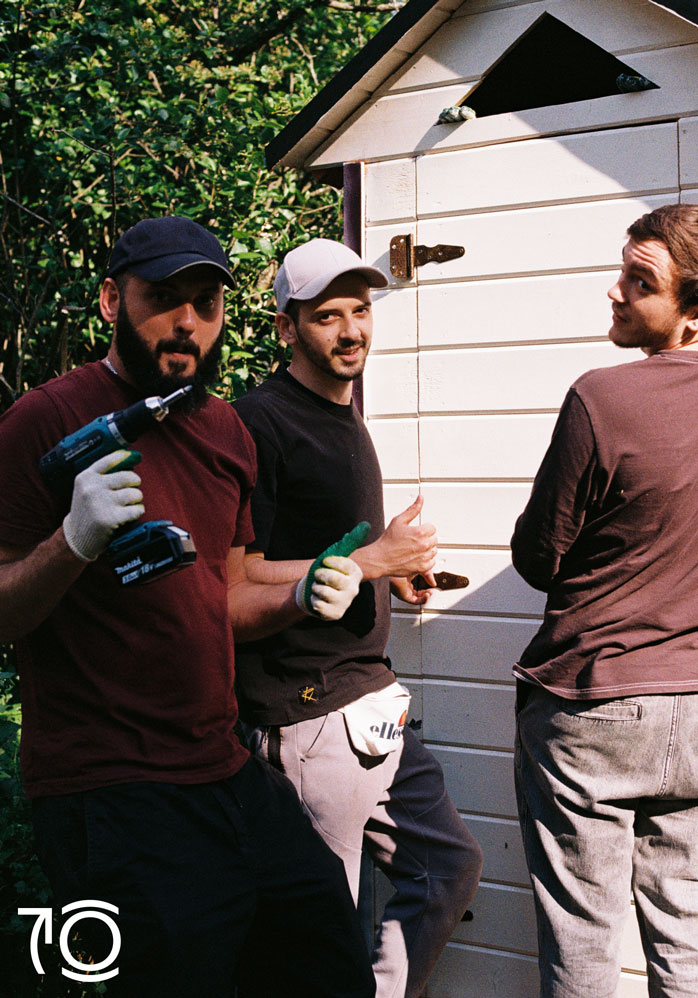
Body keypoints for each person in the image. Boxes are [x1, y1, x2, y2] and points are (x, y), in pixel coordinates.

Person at [0, 217, 376, 998]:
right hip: (106, 788)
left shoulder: (224, 431)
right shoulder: (43, 421)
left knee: (328, 959)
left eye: (205, 303)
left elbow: (228, 594)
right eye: (163, 299)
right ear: (111, 300)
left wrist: (300, 595)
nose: (186, 322)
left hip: (221, 765)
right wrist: (73, 539)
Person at [232, 237, 484, 998]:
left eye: (362, 310)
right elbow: (236, 575)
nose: (351, 331)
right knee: (318, 928)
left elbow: (326, 553)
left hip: (369, 702)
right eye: (327, 316)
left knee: (447, 867)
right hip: (305, 716)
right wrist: (375, 561)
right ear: (285, 328)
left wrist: (392, 575)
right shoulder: (258, 424)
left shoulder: (343, 415)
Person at [510, 203, 698, 997]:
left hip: (593, 706)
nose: (615, 292)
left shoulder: (601, 398)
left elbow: (537, 559)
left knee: (582, 945)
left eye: (640, 284)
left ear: (697, 314)